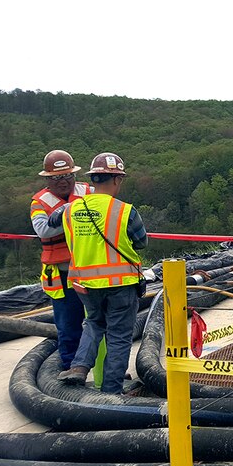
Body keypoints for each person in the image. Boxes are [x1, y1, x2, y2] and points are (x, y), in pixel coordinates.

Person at [55, 153, 147, 393]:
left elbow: (53, 220)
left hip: (85, 284)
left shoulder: (71, 210)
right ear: (116, 179)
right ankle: (111, 391)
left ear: (93, 179)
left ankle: (78, 367)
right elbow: (141, 242)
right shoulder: (125, 211)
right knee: (118, 337)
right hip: (121, 284)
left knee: (94, 323)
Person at [30, 150, 91, 371]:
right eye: (56, 178)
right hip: (62, 272)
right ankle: (70, 369)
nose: (63, 181)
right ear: (47, 179)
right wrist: (70, 210)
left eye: (67, 175)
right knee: (68, 324)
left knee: (100, 322)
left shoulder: (88, 190)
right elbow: (43, 230)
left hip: (91, 268)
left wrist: (70, 210)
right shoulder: (39, 202)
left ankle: (106, 369)